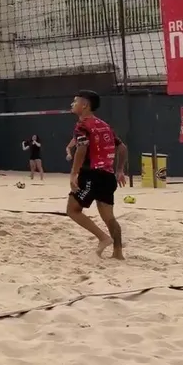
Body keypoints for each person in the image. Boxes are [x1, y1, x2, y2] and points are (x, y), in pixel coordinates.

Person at [67, 90, 127, 260]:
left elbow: (82, 147)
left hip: (91, 175)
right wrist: (120, 170)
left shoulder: (82, 125)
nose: (72, 104)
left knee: (72, 210)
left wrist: (74, 173)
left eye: (75, 101)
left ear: (85, 105)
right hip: (108, 177)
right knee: (109, 218)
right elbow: (122, 147)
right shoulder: (104, 125)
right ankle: (118, 253)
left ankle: (103, 238)